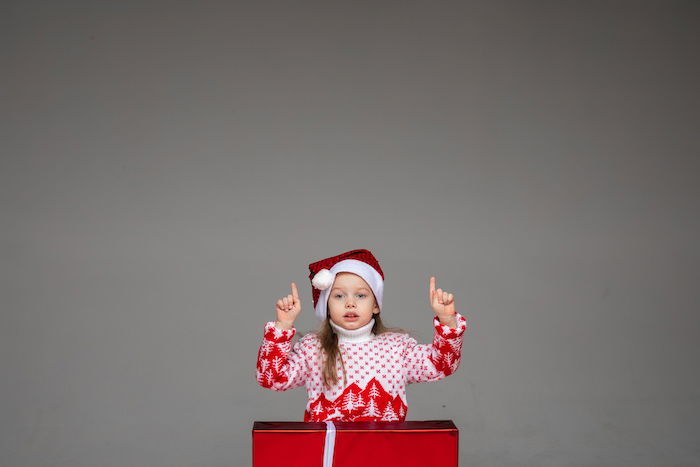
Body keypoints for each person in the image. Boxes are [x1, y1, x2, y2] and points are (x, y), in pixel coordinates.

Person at [255, 249, 468, 422]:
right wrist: (283, 326)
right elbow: (271, 379)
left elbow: (440, 365)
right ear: (326, 305)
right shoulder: (312, 348)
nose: (350, 303)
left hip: (384, 452)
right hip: (329, 452)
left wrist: (447, 321)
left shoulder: (397, 347)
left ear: (375, 304)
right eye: (338, 295)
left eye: (361, 295)